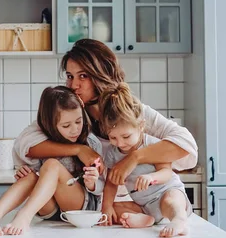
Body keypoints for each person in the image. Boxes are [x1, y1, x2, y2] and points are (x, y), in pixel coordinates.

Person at [13, 39, 198, 224]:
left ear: (101, 74)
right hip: (88, 208)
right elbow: (26, 144)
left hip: (131, 205)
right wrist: (79, 150)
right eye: (70, 76)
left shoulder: (130, 111)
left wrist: (133, 158)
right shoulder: (71, 112)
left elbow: (186, 145)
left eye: (83, 76)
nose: (73, 85)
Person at [0, 86, 104, 236]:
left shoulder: (91, 143)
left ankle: (24, 215)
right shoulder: (42, 140)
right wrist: (24, 171)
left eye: (79, 121)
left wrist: (92, 182)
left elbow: (102, 188)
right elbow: (30, 168)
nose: (75, 130)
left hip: (80, 208)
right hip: (49, 209)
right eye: (66, 125)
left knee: (52, 164)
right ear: (51, 124)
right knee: (31, 174)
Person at [99, 83, 191, 238]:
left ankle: (178, 220)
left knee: (171, 201)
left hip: (165, 192)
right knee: (115, 209)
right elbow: (111, 183)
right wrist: (106, 207)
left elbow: (167, 172)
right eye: (112, 137)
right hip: (143, 206)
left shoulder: (152, 144)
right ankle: (147, 219)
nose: (120, 143)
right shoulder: (113, 154)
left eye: (126, 136)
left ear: (141, 126)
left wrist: (151, 177)